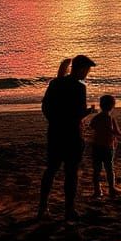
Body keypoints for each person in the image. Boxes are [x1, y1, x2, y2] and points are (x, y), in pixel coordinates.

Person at [38, 53, 95, 221]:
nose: (87, 74)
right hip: (72, 134)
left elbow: (45, 106)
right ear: (81, 69)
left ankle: (42, 206)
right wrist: (88, 112)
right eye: (87, 71)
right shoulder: (79, 88)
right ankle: (69, 209)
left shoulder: (55, 83)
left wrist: (54, 120)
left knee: (51, 169)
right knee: (71, 172)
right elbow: (78, 113)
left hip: (55, 131)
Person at [89, 94, 121, 199]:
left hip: (97, 146)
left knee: (97, 169)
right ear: (113, 105)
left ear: (100, 105)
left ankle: (97, 190)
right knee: (109, 169)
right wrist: (119, 135)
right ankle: (112, 188)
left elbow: (91, 125)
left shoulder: (97, 117)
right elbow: (117, 132)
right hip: (108, 146)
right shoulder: (111, 118)